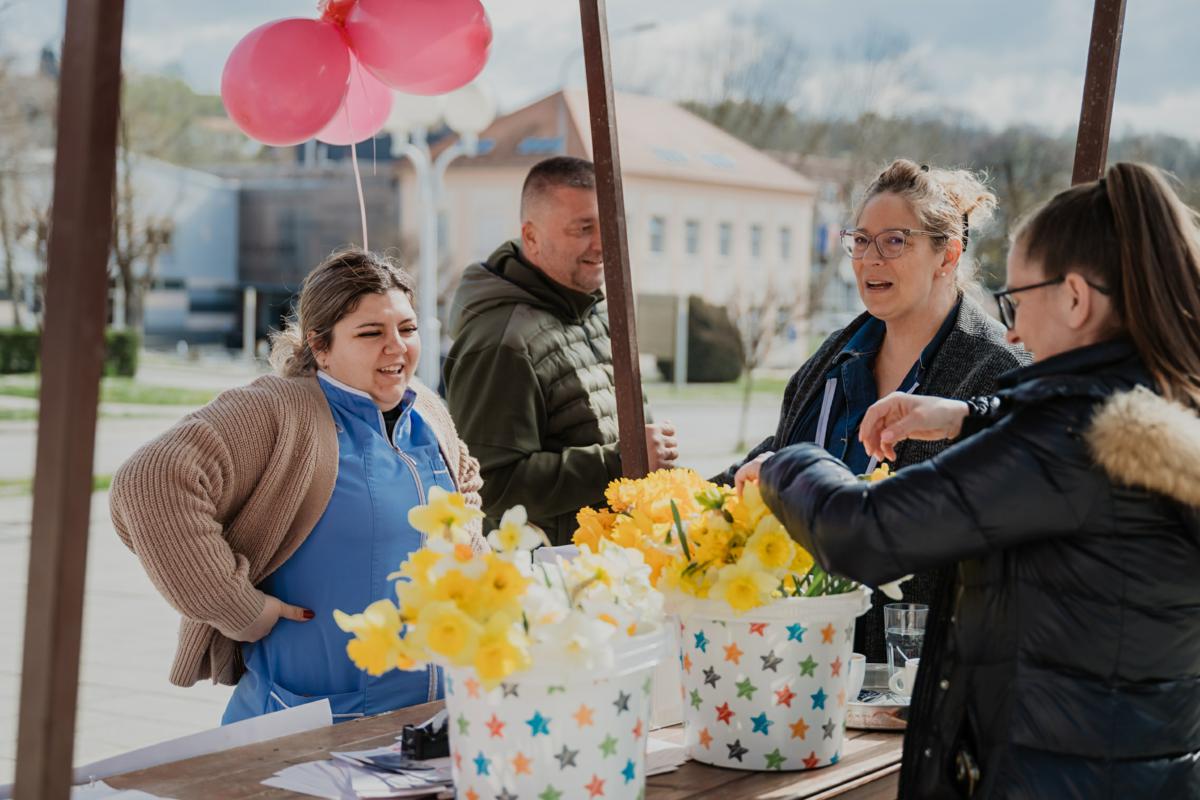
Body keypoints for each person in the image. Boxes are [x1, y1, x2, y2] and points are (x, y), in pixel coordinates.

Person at [751, 162, 1200, 798]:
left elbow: (862, 533)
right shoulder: (1157, 410)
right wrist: (971, 414)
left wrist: (787, 462)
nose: (1012, 330)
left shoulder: (1064, 442)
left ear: (1075, 298)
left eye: (1018, 301)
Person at [110, 249, 484, 724]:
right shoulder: (280, 409)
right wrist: (238, 607)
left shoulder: (425, 408)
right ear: (320, 346)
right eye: (371, 333)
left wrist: (473, 565)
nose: (397, 347)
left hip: (433, 716)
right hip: (313, 724)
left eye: (407, 329)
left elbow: (464, 481)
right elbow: (149, 481)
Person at [721, 159, 1029, 662]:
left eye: (894, 241)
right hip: (802, 660)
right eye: (861, 240)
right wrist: (667, 501)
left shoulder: (999, 369)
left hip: (923, 672)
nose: (870, 259)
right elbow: (775, 456)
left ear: (948, 255)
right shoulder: (830, 360)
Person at [444, 156, 677, 545]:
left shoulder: (595, 310)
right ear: (531, 237)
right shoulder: (501, 341)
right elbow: (490, 485)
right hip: (548, 573)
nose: (602, 244)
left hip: (615, 559)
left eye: (610, 226)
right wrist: (622, 460)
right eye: (583, 229)